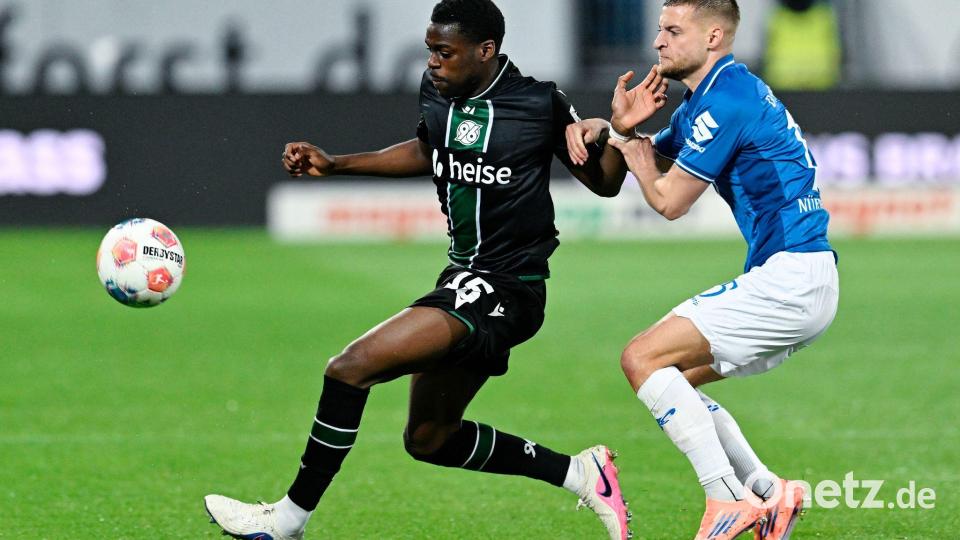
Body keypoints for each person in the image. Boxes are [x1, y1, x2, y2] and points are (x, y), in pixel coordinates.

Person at [203, 1, 634, 539]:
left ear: (485, 50)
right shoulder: (437, 91)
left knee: (350, 367)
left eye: (444, 52)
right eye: (430, 49)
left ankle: (288, 519)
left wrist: (616, 130)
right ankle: (580, 473)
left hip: (508, 288)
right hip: (461, 278)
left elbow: (605, 182)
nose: (432, 61)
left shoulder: (538, 103)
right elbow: (430, 149)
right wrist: (337, 164)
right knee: (430, 439)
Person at [566, 0, 838, 538]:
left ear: (713, 36)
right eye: (659, 30)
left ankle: (726, 498)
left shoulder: (726, 101)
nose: (658, 42)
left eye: (672, 30)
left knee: (641, 357)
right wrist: (613, 127)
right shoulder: (710, 99)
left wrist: (631, 148)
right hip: (803, 277)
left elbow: (668, 200)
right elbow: (643, 154)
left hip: (791, 277)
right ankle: (768, 492)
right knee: (673, 381)